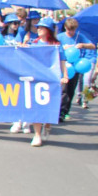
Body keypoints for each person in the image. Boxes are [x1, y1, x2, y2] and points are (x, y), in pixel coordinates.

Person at [27, 18, 66, 147]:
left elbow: (62, 60)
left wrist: (64, 75)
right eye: (37, 27)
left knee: (50, 106)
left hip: (52, 79)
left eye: (41, 28)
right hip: (37, 79)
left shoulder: (56, 45)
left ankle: (47, 124)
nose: (38, 30)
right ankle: (37, 134)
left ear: (48, 30)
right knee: (36, 107)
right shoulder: (34, 43)